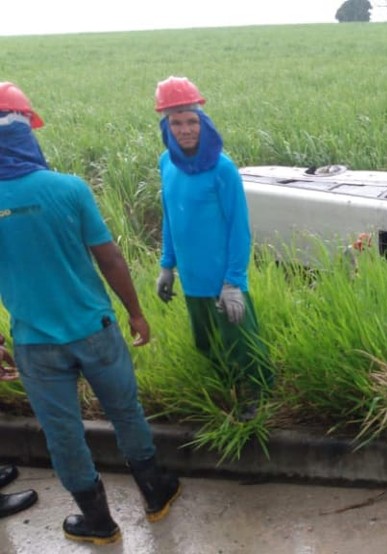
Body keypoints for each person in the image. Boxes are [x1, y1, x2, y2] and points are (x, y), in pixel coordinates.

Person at [0, 81, 179, 544]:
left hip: (35, 343)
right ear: (27, 132)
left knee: (62, 434)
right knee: (125, 412)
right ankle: (155, 495)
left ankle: (99, 523)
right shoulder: (69, 188)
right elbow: (110, 257)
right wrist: (136, 313)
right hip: (95, 330)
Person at [153, 76, 274, 421]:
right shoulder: (167, 163)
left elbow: (239, 228)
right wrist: (167, 266)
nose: (185, 130)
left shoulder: (223, 169)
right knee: (206, 342)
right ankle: (228, 390)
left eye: (192, 122)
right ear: (167, 126)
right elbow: (171, 216)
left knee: (242, 343)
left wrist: (233, 281)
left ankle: (259, 396)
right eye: (177, 123)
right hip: (192, 278)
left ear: (203, 122)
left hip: (222, 277)